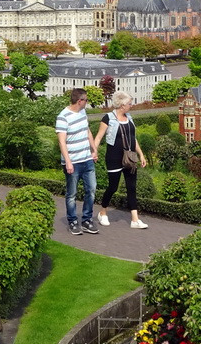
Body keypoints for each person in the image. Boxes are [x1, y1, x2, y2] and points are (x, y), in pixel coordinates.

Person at [92, 92, 148, 229]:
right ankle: (103, 212)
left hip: (130, 157)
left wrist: (141, 154)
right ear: (122, 105)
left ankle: (135, 219)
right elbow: (99, 137)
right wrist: (94, 151)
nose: (131, 106)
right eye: (129, 103)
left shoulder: (129, 118)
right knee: (113, 187)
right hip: (114, 157)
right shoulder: (108, 118)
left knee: (132, 187)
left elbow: (132, 138)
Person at [56, 87, 99, 236]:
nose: (87, 103)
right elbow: (61, 142)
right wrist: (68, 162)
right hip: (73, 162)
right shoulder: (63, 116)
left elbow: (87, 131)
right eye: (86, 100)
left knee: (91, 190)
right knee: (72, 194)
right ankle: (73, 221)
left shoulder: (82, 112)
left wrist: (94, 149)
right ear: (80, 101)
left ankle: (87, 220)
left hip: (87, 159)